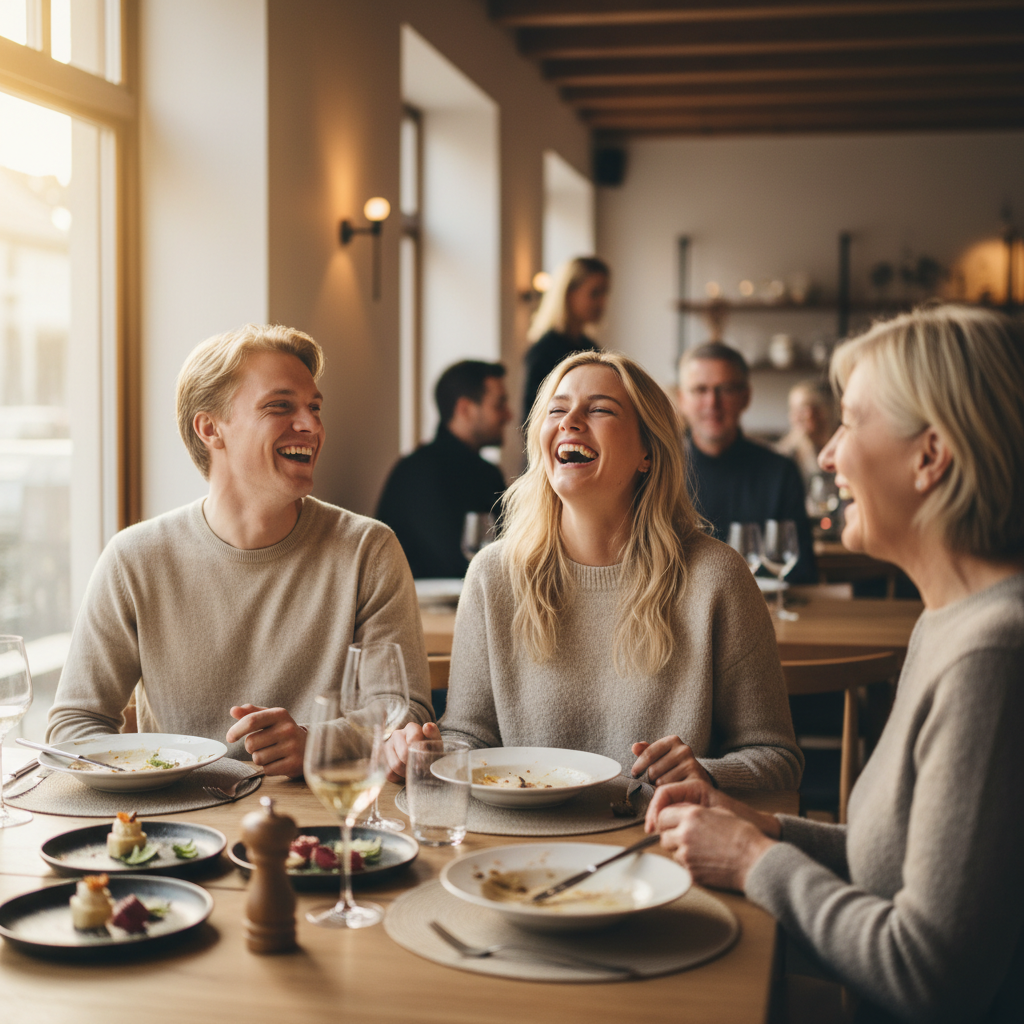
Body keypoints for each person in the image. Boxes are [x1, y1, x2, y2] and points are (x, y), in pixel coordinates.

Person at [647, 306, 1024, 1023]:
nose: (826, 456)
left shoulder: (992, 654)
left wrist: (754, 863)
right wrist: (761, 827)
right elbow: (900, 864)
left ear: (931, 454)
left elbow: (930, 975)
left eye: (850, 423)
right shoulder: (947, 622)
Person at [386, 350, 803, 791]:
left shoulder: (717, 576)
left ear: (648, 451)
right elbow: (467, 737)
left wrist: (706, 773)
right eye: (557, 410)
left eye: (600, 409)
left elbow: (776, 758)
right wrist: (424, 752)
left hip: (657, 844)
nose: (570, 421)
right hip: (520, 850)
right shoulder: (493, 575)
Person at [47, 324, 433, 777]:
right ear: (211, 428)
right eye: (280, 407)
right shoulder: (135, 558)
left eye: (314, 408)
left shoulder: (367, 548)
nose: (311, 425)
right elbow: (73, 728)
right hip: (181, 823)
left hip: (324, 825)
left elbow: (403, 713)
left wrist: (316, 743)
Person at [677, 341, 816, 583]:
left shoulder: (780, 472)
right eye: (700, 390)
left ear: (746, 396)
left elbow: (800, 570)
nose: (712, 403)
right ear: (682, 399)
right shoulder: (656, 469)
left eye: (725, 389)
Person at [375, 360, 511, 579]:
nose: (509, 415)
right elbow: (456, 566)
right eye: (499, 405)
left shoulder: (487, 473)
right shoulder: (418, 473)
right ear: (465, 409)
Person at [521, 256, 610, 422]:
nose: (602, 302)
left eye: (605, 293)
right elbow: (532, 419)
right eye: (595, 293)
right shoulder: (543, 351)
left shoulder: (589, 346)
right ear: (569, 293)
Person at [775, 378, 838, 487]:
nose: (795, 417)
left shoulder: (841, 445)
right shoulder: (788, 452)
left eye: (802, 409)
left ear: (823, 412)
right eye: (792, 410)